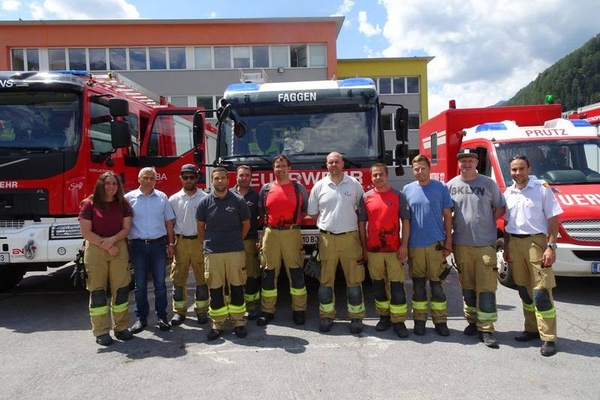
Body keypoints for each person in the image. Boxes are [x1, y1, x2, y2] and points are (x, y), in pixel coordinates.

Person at [503, 155, 563, 357]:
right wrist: (507, 248)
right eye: (514, 170)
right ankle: (531, 329)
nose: (517, 173)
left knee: (541, 293)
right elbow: (507, 223)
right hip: (515, 243)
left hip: (536, 244)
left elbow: (553, 219)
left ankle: (548, 338)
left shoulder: (542, 189)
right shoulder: (508, 192)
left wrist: (551, 247)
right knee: (524, 291)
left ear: (529, 169)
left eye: (521, 169)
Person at [447, 149, 506, 348]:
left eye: (470, 160)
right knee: (467, 287)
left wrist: (486, 223)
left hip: (484, 245)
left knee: (486, 288)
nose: (467, 164)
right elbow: (447, 214)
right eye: (463, 161)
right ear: (459, 163)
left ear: (477, 162)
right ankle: (472, 322)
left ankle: (487, 329)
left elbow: (499, 207)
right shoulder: (451, 186)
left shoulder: (488, 184)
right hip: (461, 245)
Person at [308, 151, 366, 334]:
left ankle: (356, 318)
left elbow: (363, 211)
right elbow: (312, 213)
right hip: (327, 239)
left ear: (343, 164)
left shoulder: (355, 185)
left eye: (336, 162)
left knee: (354, 280)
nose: (333, 165)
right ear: (326, 165)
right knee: (325, 280)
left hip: (350, 237)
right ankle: (326, 316)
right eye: (330, 162)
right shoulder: (319, 186)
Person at [78, 171, 133, 346]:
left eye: (114, 184)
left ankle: (121, 328)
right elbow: (86, 232)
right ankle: (101, 331)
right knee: (98, 292)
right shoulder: (89, 204)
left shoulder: (123, 204)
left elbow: (126, 229)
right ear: (101, 185)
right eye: (107, 183)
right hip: (96, 249)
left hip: (118, 246)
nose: (111, 187)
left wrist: (112, 242)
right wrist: (107, 245)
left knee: (122, 289)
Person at [196, 167, 251, 341]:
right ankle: (217, 324)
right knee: (216, 289)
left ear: (228, 180)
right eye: (216, 178)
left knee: (236, 287)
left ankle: (239, 322)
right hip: (213, 253)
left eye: (223, 178)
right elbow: (200, 229)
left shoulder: (238, 201)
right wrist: (211, 243)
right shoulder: (204, 203)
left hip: (235, 251)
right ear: (212, 181)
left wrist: (235, 240)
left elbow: (246, 225)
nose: (220, 181)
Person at [358, 163, 411, 338]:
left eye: (381, 174)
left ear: (387, 176)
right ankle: (384, 318)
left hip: (394, 250)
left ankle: (399, 321)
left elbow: (406, 221)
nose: (378, 178)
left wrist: (404, 245)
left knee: (396, 286)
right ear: (371, 178)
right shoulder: (365, 197)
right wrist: (364, 248)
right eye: (374, 175)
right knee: (378, 287)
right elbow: (362, 224)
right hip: (373, 251)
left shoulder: (398, 196)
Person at [403, 154, 453, 337]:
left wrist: (448, 240)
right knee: (418, 286)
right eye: (416, 169)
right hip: (415, 245)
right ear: (412, 170)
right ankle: (419, 320)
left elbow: (448, 216)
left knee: (437, 285)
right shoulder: (406, 190)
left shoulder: (440, 188)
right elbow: (405, 220)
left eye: (423, 168)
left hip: (436, 244)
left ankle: (440, 321)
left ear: (429, 168)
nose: (420, 172)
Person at [257, 155, 309, 326]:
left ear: (289, 168)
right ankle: (267, 310)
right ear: (273, 169)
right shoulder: (266, 189)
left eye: (283, 166)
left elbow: (304, 210)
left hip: (291, 233)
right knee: (268, 272)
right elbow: (261, 211)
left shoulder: (298, 188)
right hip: (270, 233)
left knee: (295, 272)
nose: (280, 169)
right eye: (277, 166)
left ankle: (299, 310)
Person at [125, 167, 176, 334]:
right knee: (140, 285)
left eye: (152, 178)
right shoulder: (129, 198)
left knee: (160, 284)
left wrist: (171, 244)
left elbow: (169, 223)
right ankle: (141, 318)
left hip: (158, 246)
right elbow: (124, 224)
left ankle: (162, 316)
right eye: (145, 178)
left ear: (156, 180)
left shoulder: (162, 198)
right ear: (139, 179)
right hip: (137, 246)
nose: (148, 181)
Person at [168, 164, 209, 326]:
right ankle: (179, 312)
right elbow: (170, 224)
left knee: (202, 278)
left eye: (192, 177)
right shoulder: (173, 199)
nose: (189, 180)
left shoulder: (205, 198)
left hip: (200, 242)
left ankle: (202, 311)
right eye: (185, 177)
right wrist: (171, 244)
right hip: (181, 242)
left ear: (197, 178)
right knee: (178, 278)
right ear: (181, 178)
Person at [231, 165, 262, 320]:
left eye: (247, 175)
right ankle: (236, 305)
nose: (244, 178)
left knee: (251, 274)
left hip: (249, 241)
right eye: (241, 175)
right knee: (233, 274)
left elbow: (261, 217)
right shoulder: (227, 194)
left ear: (251, 178)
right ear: (236, 177)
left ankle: (252, 306)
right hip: (230, 242)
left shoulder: (255, 196)